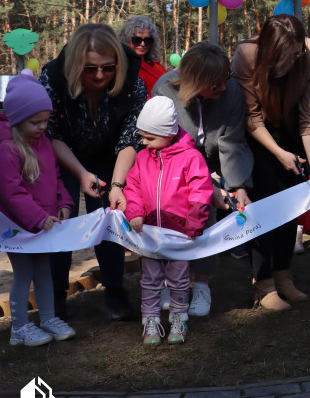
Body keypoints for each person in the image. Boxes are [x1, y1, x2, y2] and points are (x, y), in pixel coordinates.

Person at [40, 23, 146, 322]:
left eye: (108, 68)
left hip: (110, 155)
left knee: (110, 215)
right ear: (76, 65)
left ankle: (114, 291)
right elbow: (51, 133)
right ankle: (56, 298)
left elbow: (131, 137)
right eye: (90, 69)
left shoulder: (133, 82)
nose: (100, 76)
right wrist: (80, 172)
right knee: (63, 219)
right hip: (63, 156)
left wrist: (116, 183)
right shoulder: (52, 78)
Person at [152, 41, 254, 317]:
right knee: (168, 221)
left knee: (204, 219)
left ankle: (202, 285)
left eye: (225, 82)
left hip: (210, 165)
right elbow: (166, 142)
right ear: (194, 82)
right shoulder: (163, 89)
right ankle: (169, 284)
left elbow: (232, 140)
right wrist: (207, 184)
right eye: (214, 87)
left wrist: (237, 184)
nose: (222, 90)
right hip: (172, 164)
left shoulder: (230, 89)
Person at [232, 15, 310, 309]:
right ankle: (263, 283)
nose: (291, 62)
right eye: (285, 57)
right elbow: (251, 116)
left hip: (292, 135)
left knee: (289, 207)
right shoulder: (246, 55)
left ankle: (284, 276)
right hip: (258, 138)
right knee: (262, 209)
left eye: (296, 53)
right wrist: (277, 152)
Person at [0, 74, 76, 347]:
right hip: (19, 228)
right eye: (35, 122)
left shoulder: (44, 144)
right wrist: (37, 217)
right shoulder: (7, 150)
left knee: (44, 272)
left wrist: (63, 203)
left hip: (43, 224)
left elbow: (56, 178)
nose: (42, 127)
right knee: (24, 274)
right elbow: (10, 192)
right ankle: (20, 327)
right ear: (17, 119)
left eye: (45, 121)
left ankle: (47, 317)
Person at [123, 97, 213, 346]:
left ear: (169, 133)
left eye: (149, 137)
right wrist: (135, 212)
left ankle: (178, 316)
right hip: (150, 234)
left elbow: (201, 191)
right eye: (142, 136)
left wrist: (193, 224)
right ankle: (150, 320)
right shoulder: (143, 158)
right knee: (150, 279)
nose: (144, 142)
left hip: (179, 235)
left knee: (179, 279)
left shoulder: (191, 157)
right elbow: (133, 188)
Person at [118, 15, 168, 98]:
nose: (143, 44)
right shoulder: (123, 67)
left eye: (147, 40)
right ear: (126, 40)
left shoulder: (155, 65)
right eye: (137, 40)